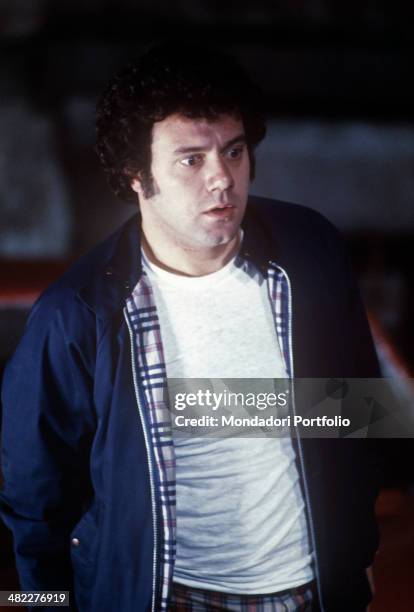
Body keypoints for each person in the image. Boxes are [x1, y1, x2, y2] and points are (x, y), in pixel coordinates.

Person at [1, 43, 381, 611]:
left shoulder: (311, 249)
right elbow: (34, 504)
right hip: (167, 598)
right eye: (190, 160)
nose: (222, 179)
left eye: (233, 151)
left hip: (314, 592)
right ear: (136, 175)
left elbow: (359, 411)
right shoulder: (77, 314)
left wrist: (356, 554)